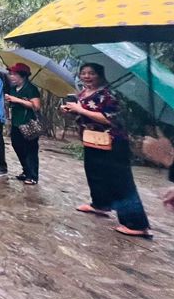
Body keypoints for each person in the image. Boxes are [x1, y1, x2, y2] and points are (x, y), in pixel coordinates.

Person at [61, 62, 152, 238]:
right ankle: (100, 205)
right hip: (91, 140)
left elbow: (110, 119)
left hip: (113, 141)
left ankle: (137, 224)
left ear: (100, 75)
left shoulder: (108, 94)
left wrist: (80, 109)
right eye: (84, 73)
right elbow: (83, 113)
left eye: (91, 73)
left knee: (120, 182)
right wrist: (69, 110)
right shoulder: (82, 94)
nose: (87, 76)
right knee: (94, 174)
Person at [5, 63, 41, 185]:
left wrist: (17, 100)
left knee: (31, 150)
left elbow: (36, 106)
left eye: (14, 74)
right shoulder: (13, 89)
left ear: (23, 76)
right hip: (16, 123)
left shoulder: (31, 89)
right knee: (17, 146)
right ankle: (26, 171)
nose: (11, 76)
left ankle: (33, 176)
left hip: (28, 123)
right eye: (11, 74)